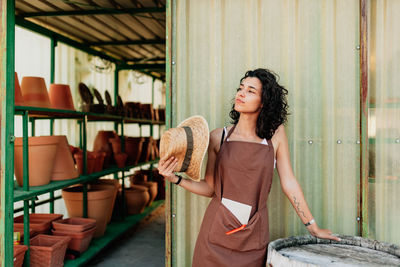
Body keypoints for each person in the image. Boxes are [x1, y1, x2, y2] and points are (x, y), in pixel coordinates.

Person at [158, 68, 339, 267]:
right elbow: (211, 189)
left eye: (251, 90)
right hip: (215, 236)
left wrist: (312, 227)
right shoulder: (218, 137)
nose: (241, 93)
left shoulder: (275, 135)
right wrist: (176, 179)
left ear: (264, 102)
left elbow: (289, 183)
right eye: (240, 88)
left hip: (253, 235)